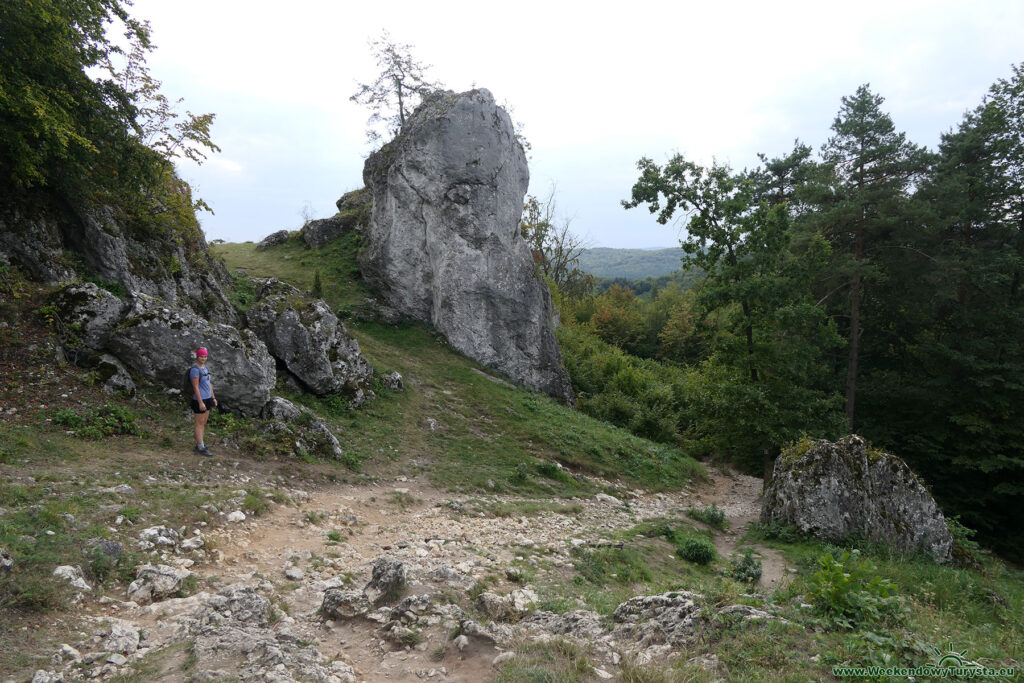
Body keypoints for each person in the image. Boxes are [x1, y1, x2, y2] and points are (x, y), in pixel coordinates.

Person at [189, 347, 218, 456]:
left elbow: (209, 384)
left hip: (208, 398)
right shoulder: (195, 369)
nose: (203, 358)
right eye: (201, 356)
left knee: (203, 423)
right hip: (199, 399)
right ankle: (200, 446)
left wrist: (213, 398)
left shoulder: (205, 368)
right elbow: (195, 387)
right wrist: (200, 402)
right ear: (197, 356)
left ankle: (200, 444)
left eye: (205, 356)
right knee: (199, 423)